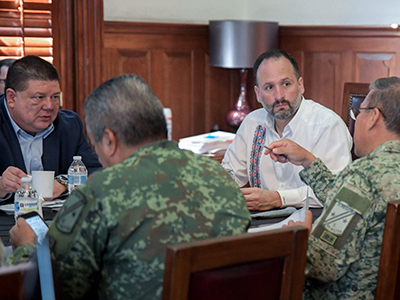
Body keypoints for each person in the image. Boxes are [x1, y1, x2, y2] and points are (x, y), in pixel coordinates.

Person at [8, 74, 251, 300]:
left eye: (95, 145)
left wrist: (27, 248)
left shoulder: (100, 192)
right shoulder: (219, 177)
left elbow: (49, 289)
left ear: (110, 141)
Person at [266, 76, 400, 299]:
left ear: (373, 117)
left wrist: (299, 237)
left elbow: (321, 265)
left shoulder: (362, 176)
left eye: (359, 113)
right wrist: (309, 161)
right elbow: (354, 205)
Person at [222, 49, 352, 213]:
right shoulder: (252, 123)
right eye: (269, 87)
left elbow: (338, 192)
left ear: (300, 85)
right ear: (257, 94)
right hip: (261, 222)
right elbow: (230, 175)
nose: (279, 96)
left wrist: (278, 199)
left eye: (286, 84)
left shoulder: (327, 125)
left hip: (312, 222)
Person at [0, 56, 102, 202]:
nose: (49, 106)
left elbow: (95, 171)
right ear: (11, 98)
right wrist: (1, 186)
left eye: (55, 97)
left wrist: (63, 182)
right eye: (39, 97)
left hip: (56, 220)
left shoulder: (69, 125)